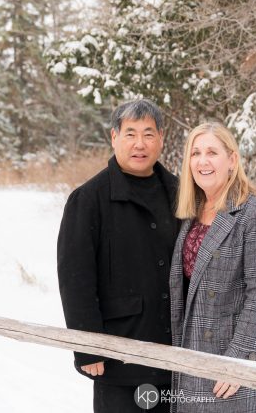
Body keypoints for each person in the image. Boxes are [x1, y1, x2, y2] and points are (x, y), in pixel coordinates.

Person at [57, 99, 178, 413]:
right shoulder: (88, 199)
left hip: (178, 361)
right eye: (130, 134)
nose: (140, 144)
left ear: (161, 138)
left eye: (148, 134)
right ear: (114, 137)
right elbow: (76, 279)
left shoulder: (180, 193)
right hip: (120, 359)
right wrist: (88, 347)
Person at [169, 123, 256, 412]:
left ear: (232, 160)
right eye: (195, 153)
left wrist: (237, 362)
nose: (202, 161)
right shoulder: (190, 212)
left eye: (212, 152)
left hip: (238, 359)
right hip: (194, 351)